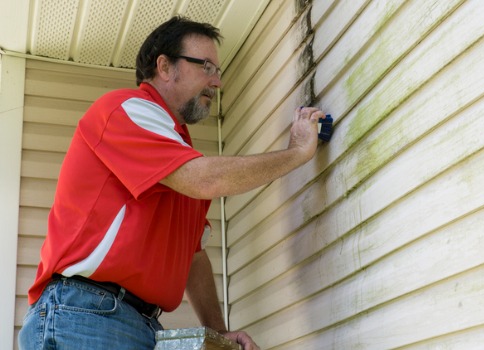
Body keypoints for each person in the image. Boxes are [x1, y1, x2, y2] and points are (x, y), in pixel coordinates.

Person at [18, 16, 325, 350]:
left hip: (130, 321)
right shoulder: (125, 110)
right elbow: (205, 179)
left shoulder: (178, 153)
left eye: (218, 71)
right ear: (164, 66)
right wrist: (296, 153)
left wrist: (217, 330)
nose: (217, 82)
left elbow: (192, 256)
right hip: (86, 313)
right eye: (206, 66)